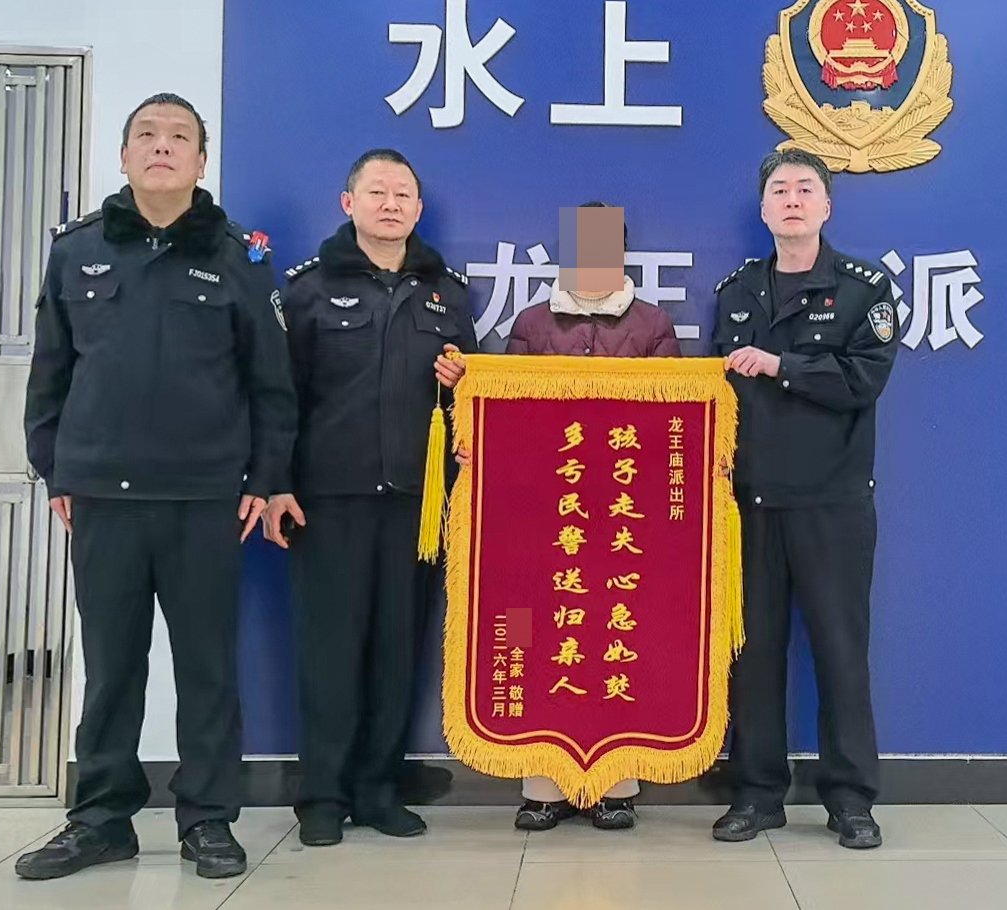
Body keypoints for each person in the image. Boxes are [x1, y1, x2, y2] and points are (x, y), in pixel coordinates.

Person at [17, 93, 296, 880]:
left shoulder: (239, 256)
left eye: (179, 137)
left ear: (202, 161)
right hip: (102, 496)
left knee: (207, 667)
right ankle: (101, 818)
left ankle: (207, 819)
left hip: (204, 497)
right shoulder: (77, 251)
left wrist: (266, 476)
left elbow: (272, 382)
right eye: (147, 134)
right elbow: (50, 371)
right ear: (124, 155)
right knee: (111, 667)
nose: (162, 146)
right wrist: (55, 469)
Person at [263, 149, 475, 847]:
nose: (391, 204)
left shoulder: (447, 293)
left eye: (403, 194)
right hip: (328, 500)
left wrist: (460, 384)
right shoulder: (308, 289)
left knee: (396, 650)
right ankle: (321, 797)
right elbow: (279, 397)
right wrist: (275, 483)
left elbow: (471, 401)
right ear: (347, 202)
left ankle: (379, 790)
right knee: (328, 652)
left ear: (419, 208)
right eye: (377, 192)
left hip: (417, 504)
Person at [709, 149, 898, 849]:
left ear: (825, 206)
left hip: (831, 501)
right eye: (779, 190)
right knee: (753, 654)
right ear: (763, 209)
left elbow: (863, 379)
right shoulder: (736, 291)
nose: (791, 200)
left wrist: (782, 365)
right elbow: (716, 391)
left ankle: (850, 800)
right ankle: (757, 794)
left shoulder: (863, 288)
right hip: (750, 502)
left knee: (840, 652)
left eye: (804, 189)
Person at [500, 201, 681, 830]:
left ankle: (616, 786)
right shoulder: (531, 322)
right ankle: (542, 788)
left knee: (617, 639)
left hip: (623, 513)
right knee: (544, 640)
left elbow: (671, 414)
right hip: (546, 511)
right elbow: (506, 408)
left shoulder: (654, 324)